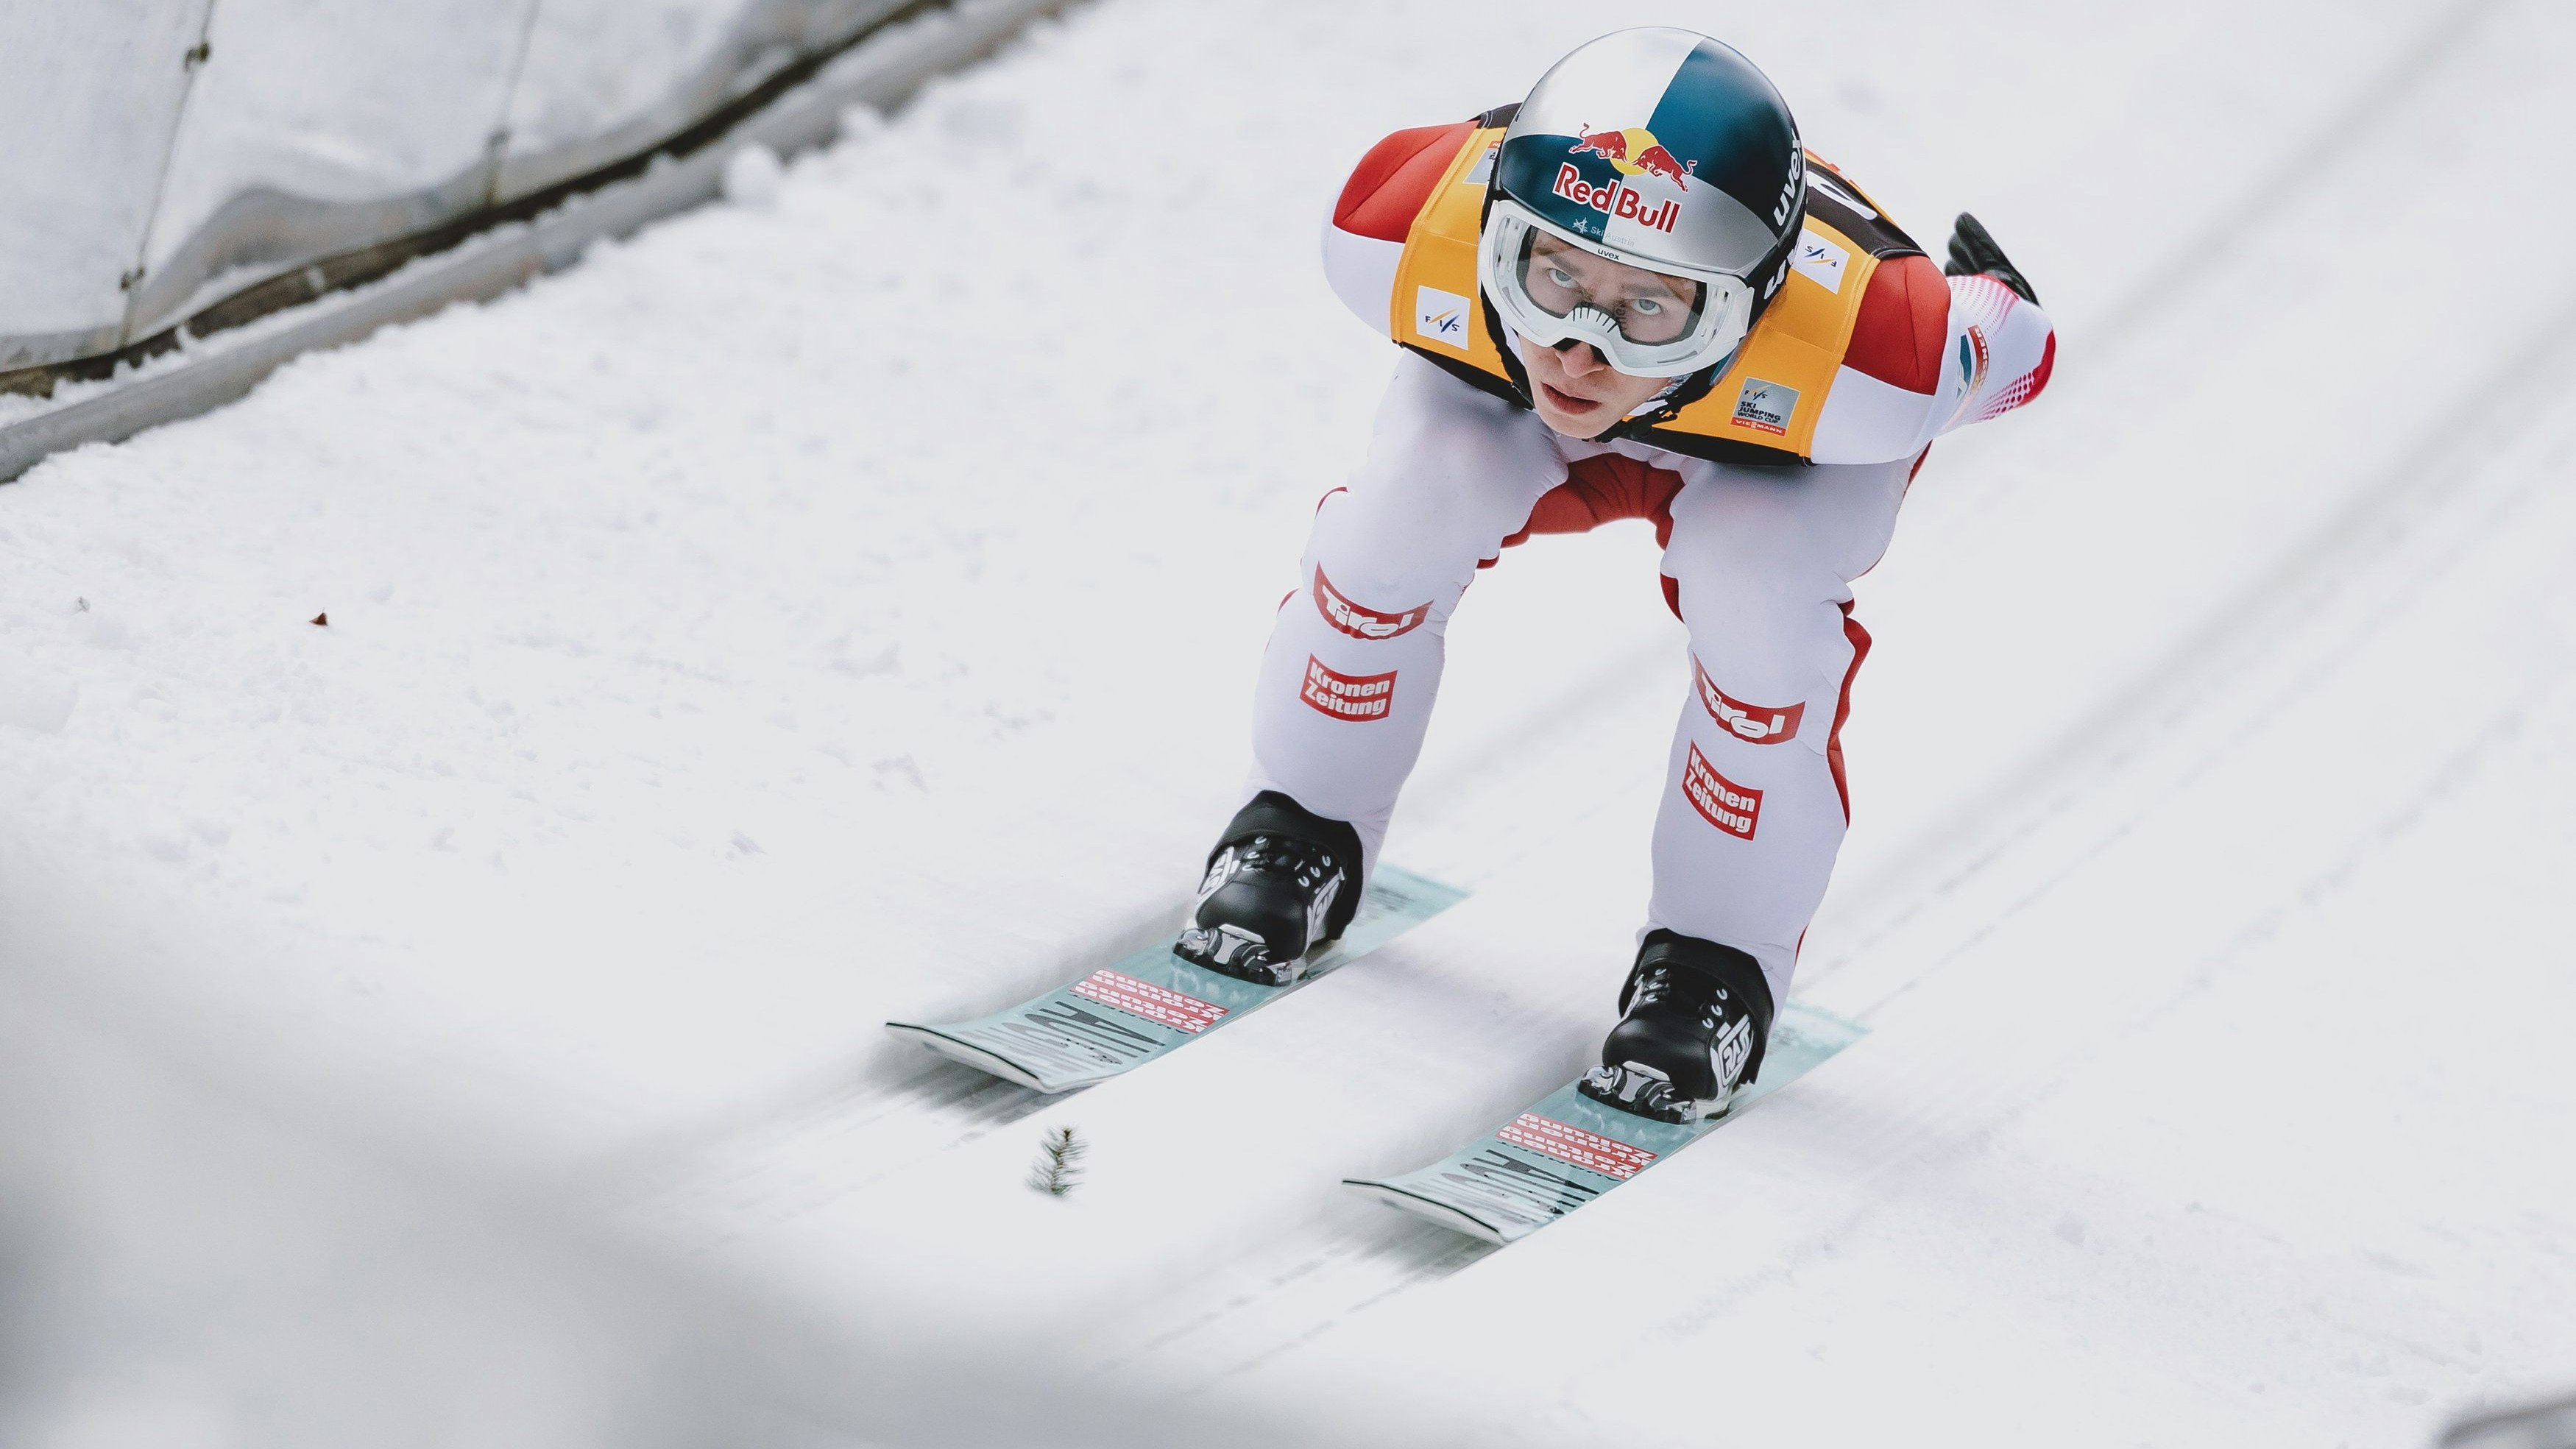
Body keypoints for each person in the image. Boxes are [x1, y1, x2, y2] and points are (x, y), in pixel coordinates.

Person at [1177, 27, 2055, 1124]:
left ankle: (1713, 965)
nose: (1580, 348)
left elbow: (2003, 343)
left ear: (1753, 302)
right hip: (1563, 411)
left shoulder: (1876, 358)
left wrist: (1996, 307)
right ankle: (1302, 823)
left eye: (1649, 303)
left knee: (1761, 609)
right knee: (1402, 511)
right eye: (1553, 275)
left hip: (1772, 461)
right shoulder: (1396, 225)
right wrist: (1625, 315)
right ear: (1497, 236)